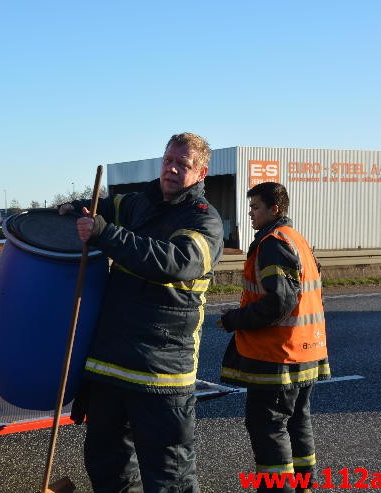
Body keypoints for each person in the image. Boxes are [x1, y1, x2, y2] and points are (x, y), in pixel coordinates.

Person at [60, 132, 224, 493]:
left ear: (201, 173)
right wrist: (76, 208)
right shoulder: (139, 203)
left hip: (161, 377)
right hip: (111, 368)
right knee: (108, 469)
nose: (171, 169)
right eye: (168, 160)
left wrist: (105, 234)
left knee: (170, 479)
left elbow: (176, 262)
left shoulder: (204, 220)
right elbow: (103, 208)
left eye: (183, 164)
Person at [217, 181, 330, 493]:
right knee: (297, 423)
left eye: (255, 207)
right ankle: (304, 486)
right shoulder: (296, 239)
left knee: (268, 427)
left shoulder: (272, 242)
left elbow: (279, 302)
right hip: (306, 350)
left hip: (279, 357)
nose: (250, 213)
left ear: (275, 209)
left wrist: (233, 320)